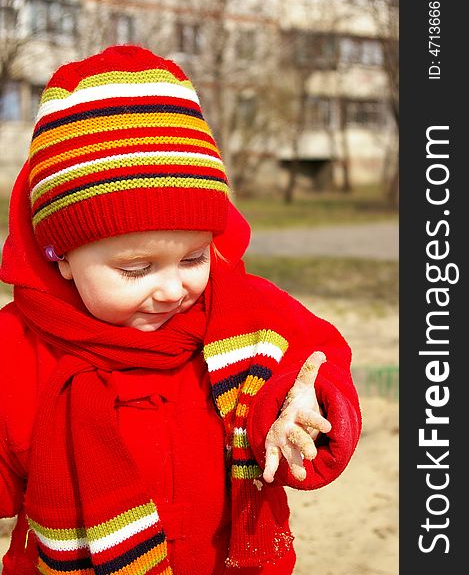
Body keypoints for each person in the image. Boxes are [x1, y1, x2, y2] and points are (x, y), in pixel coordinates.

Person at [0, 44, 361, 574]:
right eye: (135, 269)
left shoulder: (243, 314)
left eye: (193, 257)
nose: (172, 290)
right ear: (65, 260)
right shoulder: (21, 347)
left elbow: (314, 364)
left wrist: (301, 411)